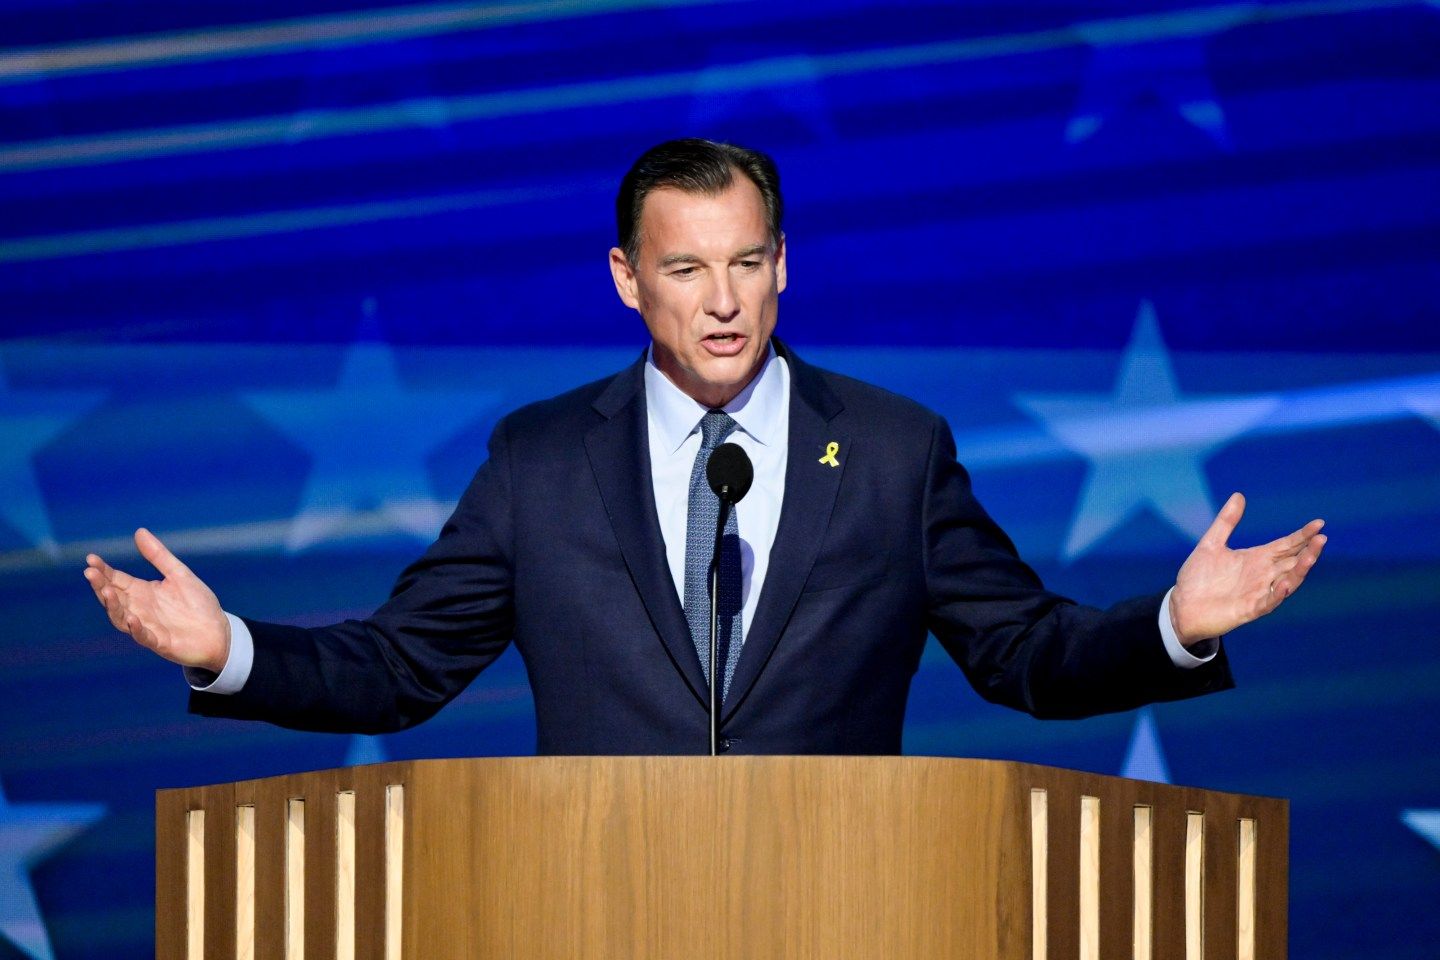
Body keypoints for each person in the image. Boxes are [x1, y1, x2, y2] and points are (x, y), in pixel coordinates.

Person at [83, 139, 1326, 755]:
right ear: (629, 281)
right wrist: (229, 649)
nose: (722, 301)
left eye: (747, 263)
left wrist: (1175, 622)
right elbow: (400, 668)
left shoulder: (894, 451)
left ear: (785, 266)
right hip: (591, 916)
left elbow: (1026, 655)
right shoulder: (541, 458)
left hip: (853, 915)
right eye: (686, 268)